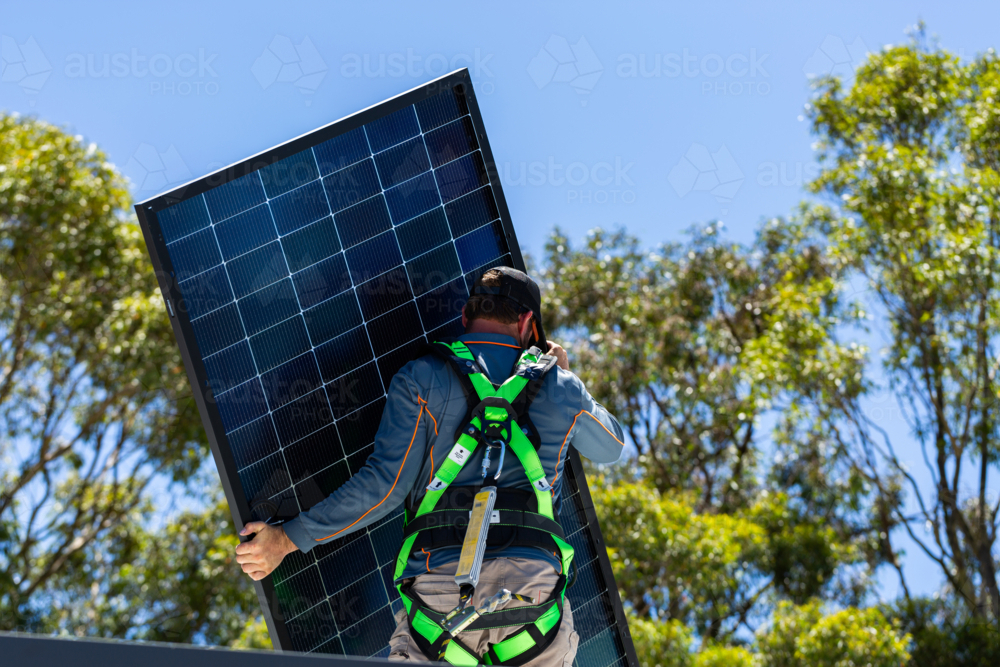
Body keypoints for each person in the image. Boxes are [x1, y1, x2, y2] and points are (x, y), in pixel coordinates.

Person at [235, 266, 624, 665]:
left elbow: (384, 488)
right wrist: (565, 375)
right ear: (528, 323)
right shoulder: (562, 388)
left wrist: (287, 539)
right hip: (532, 596)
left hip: (439, 598)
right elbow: (612, 447)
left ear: (465, 316)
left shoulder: (420, 377)